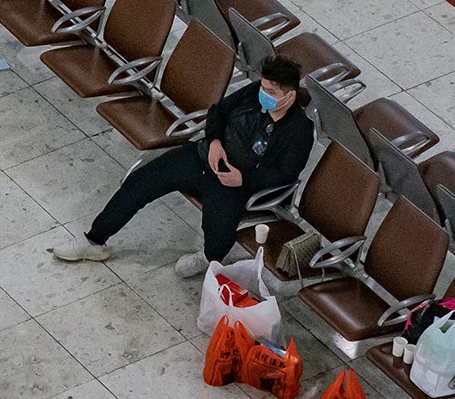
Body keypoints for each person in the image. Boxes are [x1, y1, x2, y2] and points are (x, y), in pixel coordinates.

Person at [54, 57, 314, 276]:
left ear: (289, 96)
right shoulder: (254, 93)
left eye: (271, 92)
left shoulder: (299, 131)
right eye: (264, 88)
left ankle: (206, 256)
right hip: (202, 157)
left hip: (231, 182)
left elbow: (286, 173)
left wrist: (243, 179)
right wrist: (213, 141)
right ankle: (94, 241)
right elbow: (218, 112)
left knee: (219, 235)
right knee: (139, 183)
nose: (263, 94)